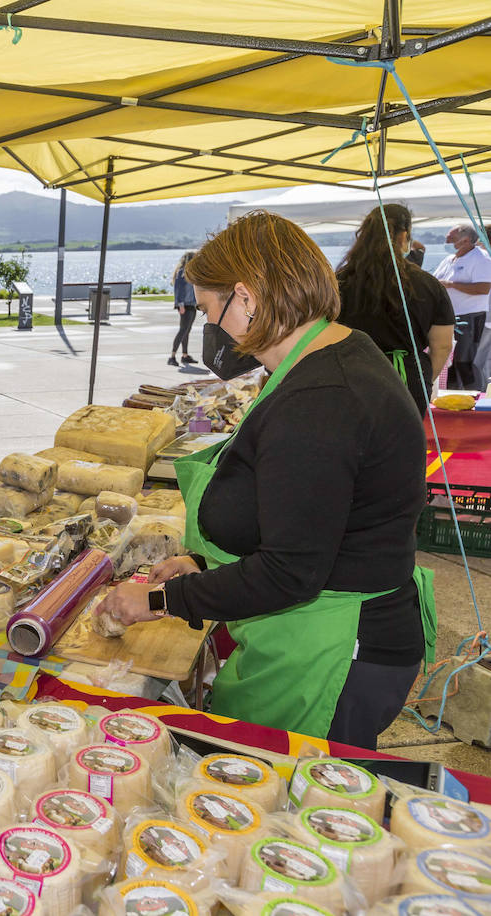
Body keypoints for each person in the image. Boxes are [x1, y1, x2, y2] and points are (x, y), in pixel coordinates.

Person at [100, 211, 434, 749]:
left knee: (298, 799)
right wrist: (206, 563)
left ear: (247, 298)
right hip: (322, 621)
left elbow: (291, 572)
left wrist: (162, 601)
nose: (212, 328)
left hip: (333, 645)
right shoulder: (333, 356)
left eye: (211, 310)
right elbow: (312, 515)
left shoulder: (321, 400)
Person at [336, 203, 454, 412]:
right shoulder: (429, 284)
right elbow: (442, 346)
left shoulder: (340, 282)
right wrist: (423, 377)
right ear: (403, 236)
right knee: (403, 444)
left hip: (351, 377)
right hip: (407, 381)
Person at [433, 223, 491, 389]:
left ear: (465, 240)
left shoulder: (481, 259)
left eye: (450, 239)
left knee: (465, 361)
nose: (446, 242)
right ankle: (451, 396)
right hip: (449, 317)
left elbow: (483, 288)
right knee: (449, 361)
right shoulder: (449, 259)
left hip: (470, 317)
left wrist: (452, 285)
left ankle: (475, 398)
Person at [169, 251, 199, 367]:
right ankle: (172, 356)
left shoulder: (190, 273)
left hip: (191, 304)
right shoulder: (182, 273)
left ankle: (185, 355)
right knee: (183, 330)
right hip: (185, 305)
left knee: (187, 330)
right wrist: (180, 304)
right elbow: (178, 290)